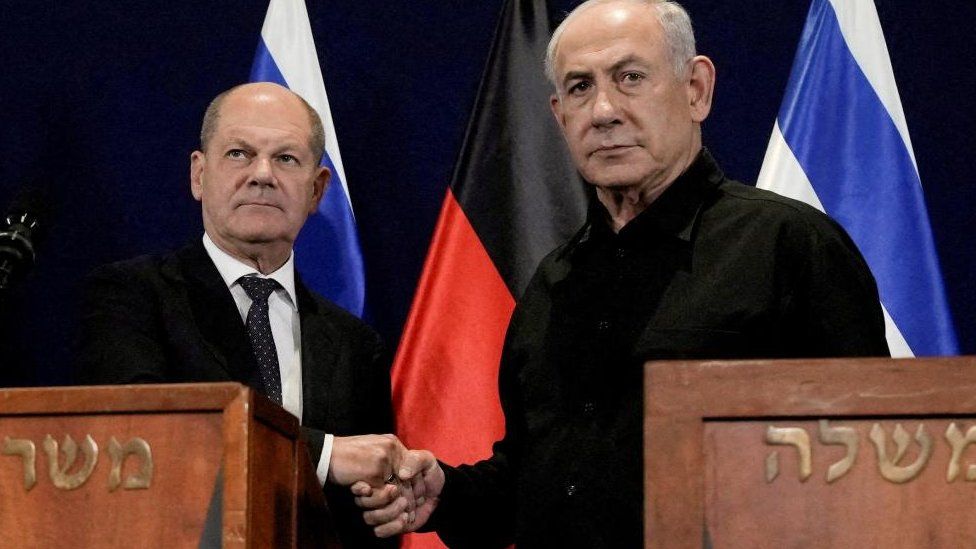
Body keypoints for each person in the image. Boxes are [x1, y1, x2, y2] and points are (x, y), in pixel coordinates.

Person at [354, 1, 890, 547]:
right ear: (560, 116)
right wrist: (446, 493)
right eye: (580, 87)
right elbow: (536, 481)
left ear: (696, 90)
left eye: (631, 77)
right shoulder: (551, 285)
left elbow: (866, 463)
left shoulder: (791, 246)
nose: (604, 110)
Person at [76, 82, 411, 548]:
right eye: (238, 153)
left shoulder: (355, 344)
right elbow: (140, 438)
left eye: (287, 159)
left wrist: (388, 501)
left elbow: (368, 510)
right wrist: (323, 454)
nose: (261, 174)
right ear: (198, 174)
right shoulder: (132, 297)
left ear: (317, 191)